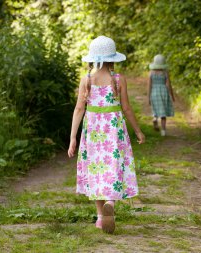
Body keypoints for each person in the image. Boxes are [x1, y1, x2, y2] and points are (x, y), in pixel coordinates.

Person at [67, 36, 145, 234]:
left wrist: (73, 138)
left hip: (93, 130)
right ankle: (111, 200)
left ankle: (101, 217)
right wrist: (137, 130)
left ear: (92, 58)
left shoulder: (87, 80)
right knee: (113, 164)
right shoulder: (118, 79)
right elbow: (126, 108)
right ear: (113, 59)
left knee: (96, 168)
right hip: (113, 129)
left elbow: (78, 109)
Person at [148, 54, 175, 136]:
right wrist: (172, 95)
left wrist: (148, 97)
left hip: (154, 92)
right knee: (163, 112)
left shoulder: (151, 73)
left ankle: (155, 118)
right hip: (163, 92)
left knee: (155, 108)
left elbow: (149, 85)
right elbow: (168, 85)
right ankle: (163, 131)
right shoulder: (165, 73)